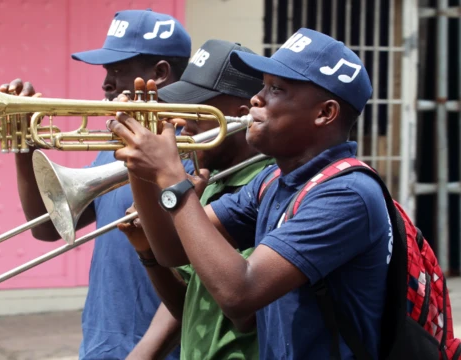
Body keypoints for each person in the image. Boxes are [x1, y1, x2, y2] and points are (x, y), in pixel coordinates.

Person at [108, 28, 389, 359]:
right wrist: (139, 162)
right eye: (262, 86)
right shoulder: (273, 180)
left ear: (324, 113)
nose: (257, 98)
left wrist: (170, 176)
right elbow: (172, 249)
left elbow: (240, 293)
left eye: (276, 89)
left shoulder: (347, 194)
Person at [0, 9, 191, 360]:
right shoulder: (113, 147)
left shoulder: (192, 151)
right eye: (106, 71)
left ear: (160, 74)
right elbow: (47, 228)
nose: (105, 83)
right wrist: (25, 141)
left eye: (117, 70)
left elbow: (197, 285)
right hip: (101, 345)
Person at [117, 39, 273, 360]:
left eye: (193, 111)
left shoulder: (265, 186)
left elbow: (241, 310)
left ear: (239, 117)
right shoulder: (212, 181)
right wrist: (147, 250)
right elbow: (186, 302)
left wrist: (171, 184)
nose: (179, 123)